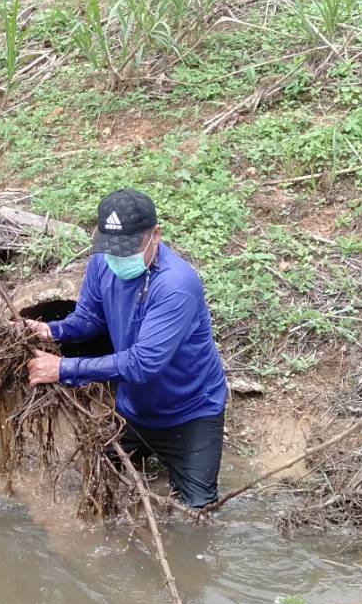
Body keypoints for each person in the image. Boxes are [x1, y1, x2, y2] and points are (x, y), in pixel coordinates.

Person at [20, 188, 229, 508]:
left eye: (128, 248)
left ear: (155, 235)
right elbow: (89, 319)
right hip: (133, 410)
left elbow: (143, 363)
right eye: (111, 248)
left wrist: (62, 369)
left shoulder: (176, 287)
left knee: (198, 514)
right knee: (92, 478)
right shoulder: (103, 263)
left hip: (190, 413)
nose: (118, 257)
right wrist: (49, 330)